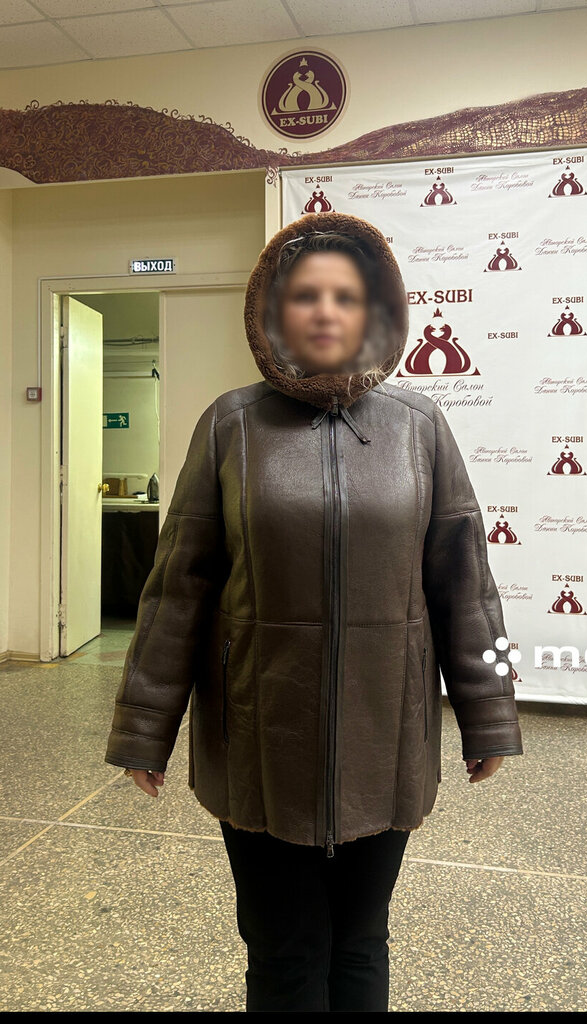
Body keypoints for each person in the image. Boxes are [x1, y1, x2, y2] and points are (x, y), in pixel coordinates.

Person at [105, 210, 524, 1012]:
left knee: (361, 939)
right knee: (283, 947)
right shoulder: (231, 424)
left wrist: (488, 715)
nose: (325, 311)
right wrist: (144, 727)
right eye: (305, 295)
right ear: (273, 311)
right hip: (260, 732)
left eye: (345, 296)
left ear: (373, 312)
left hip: (384, 731)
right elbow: (178, 586)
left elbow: (462, 583)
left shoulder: (418, 427)